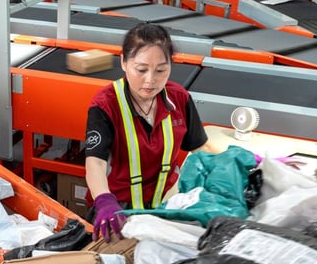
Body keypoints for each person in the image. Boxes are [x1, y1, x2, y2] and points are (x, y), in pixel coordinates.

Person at [83, 23, 221, 240]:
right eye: (141, 69)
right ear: (124, 62)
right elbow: (95, 162)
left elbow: (200, 147)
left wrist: (230, 164)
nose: (150, 80)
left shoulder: (179, 98)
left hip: (164, 206)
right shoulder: (105, 105)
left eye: (160, 70)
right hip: (117, 210)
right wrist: (103, 200)